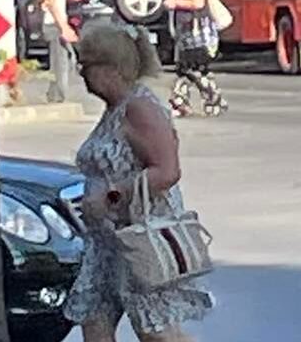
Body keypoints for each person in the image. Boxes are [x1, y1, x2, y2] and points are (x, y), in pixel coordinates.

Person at [66, 24, 214, 341]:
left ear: (110, 68)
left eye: (86, 65)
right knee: (94, 319)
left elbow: (167, 171)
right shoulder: (115, 108)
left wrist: (111, 197)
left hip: (139, 238)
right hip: (107, 242)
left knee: (155, 331)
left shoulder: (139, 107)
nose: (81, 74)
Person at [166, 0, 226, 118]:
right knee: (184, 71)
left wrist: (174, 2)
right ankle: (181, 103)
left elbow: (197, 3)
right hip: (186, 34)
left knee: (194, 70)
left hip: (197, 33)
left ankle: (214, 99)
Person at [38, 0, 78, 103]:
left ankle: (53, 94)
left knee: (58, 61)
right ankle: (59, 95)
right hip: (54, 25)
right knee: (61, 62)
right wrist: (64, 27)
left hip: (56, 24)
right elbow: (52, 5)